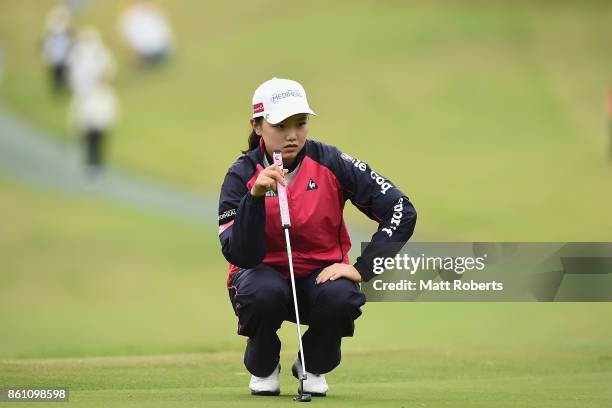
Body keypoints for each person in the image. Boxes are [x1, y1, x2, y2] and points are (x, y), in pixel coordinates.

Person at [217, 77, 417, 397]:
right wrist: (254, 197)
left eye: (301, 123)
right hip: (260, 278)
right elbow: (241, 255)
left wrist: (364, 268)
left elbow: (400, 209)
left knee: (341, 295)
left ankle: (311, 364)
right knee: (261, 291)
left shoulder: (332, 162)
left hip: (319, 276)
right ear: (257, 126)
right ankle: (265, 363)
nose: (292, 134)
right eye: (281, 125)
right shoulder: (241, 174)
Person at [68, 82, 119, 181]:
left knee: (98, 147)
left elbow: (112, 110)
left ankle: (98, 168)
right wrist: (77, 124)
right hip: (88, 125)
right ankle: (89, 168)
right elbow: (79, 109)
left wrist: (111, 124)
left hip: (101, 125)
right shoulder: (86, 93)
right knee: (89, 147)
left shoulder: (108, 93)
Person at [118, 1, 173, 67]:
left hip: (158, 49)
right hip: (150, 51)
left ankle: (149, 60)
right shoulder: (130, 17)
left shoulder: (151, 13)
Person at [67, 27, 116, 95]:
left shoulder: (98, 50)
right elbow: (72, 67)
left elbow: (106, 65)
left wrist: (103, 77)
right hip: (83, 83)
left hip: (97, 82)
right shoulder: (78, 50)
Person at [41, 3, 74, 92]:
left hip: (63, 52)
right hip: (56, 52)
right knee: (56, 73)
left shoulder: (65, 16)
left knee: (63, 72)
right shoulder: (56, 14)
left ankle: (62, 87)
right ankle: (57, 88)